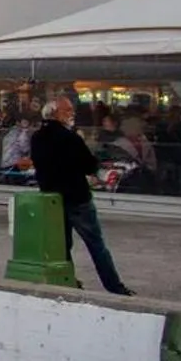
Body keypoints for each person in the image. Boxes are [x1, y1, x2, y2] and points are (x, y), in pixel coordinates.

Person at [29, 97, 133, 296]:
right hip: (77, 197)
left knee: (62, 245)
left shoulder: (37, 137)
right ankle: (114, 286)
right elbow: (88, 164)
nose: (72, 113)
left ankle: (67, 280)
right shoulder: (70, 138)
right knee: (96, 244)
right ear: (55, 113)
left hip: (52, 198)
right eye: (67, 110)